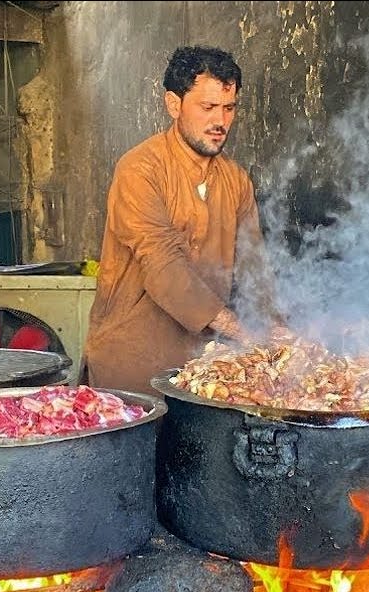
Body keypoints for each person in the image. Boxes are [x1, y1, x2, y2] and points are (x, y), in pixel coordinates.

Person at [82, 45, 275, 395]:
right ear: (174, 104)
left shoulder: (236, 181)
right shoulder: (140, 169)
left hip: (202, 367)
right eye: (208, 107)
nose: (220, 121)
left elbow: (254, 269)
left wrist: (277, 331)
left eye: (229, 108)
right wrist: (242, 332)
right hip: (132, 366)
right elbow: (162, 264)